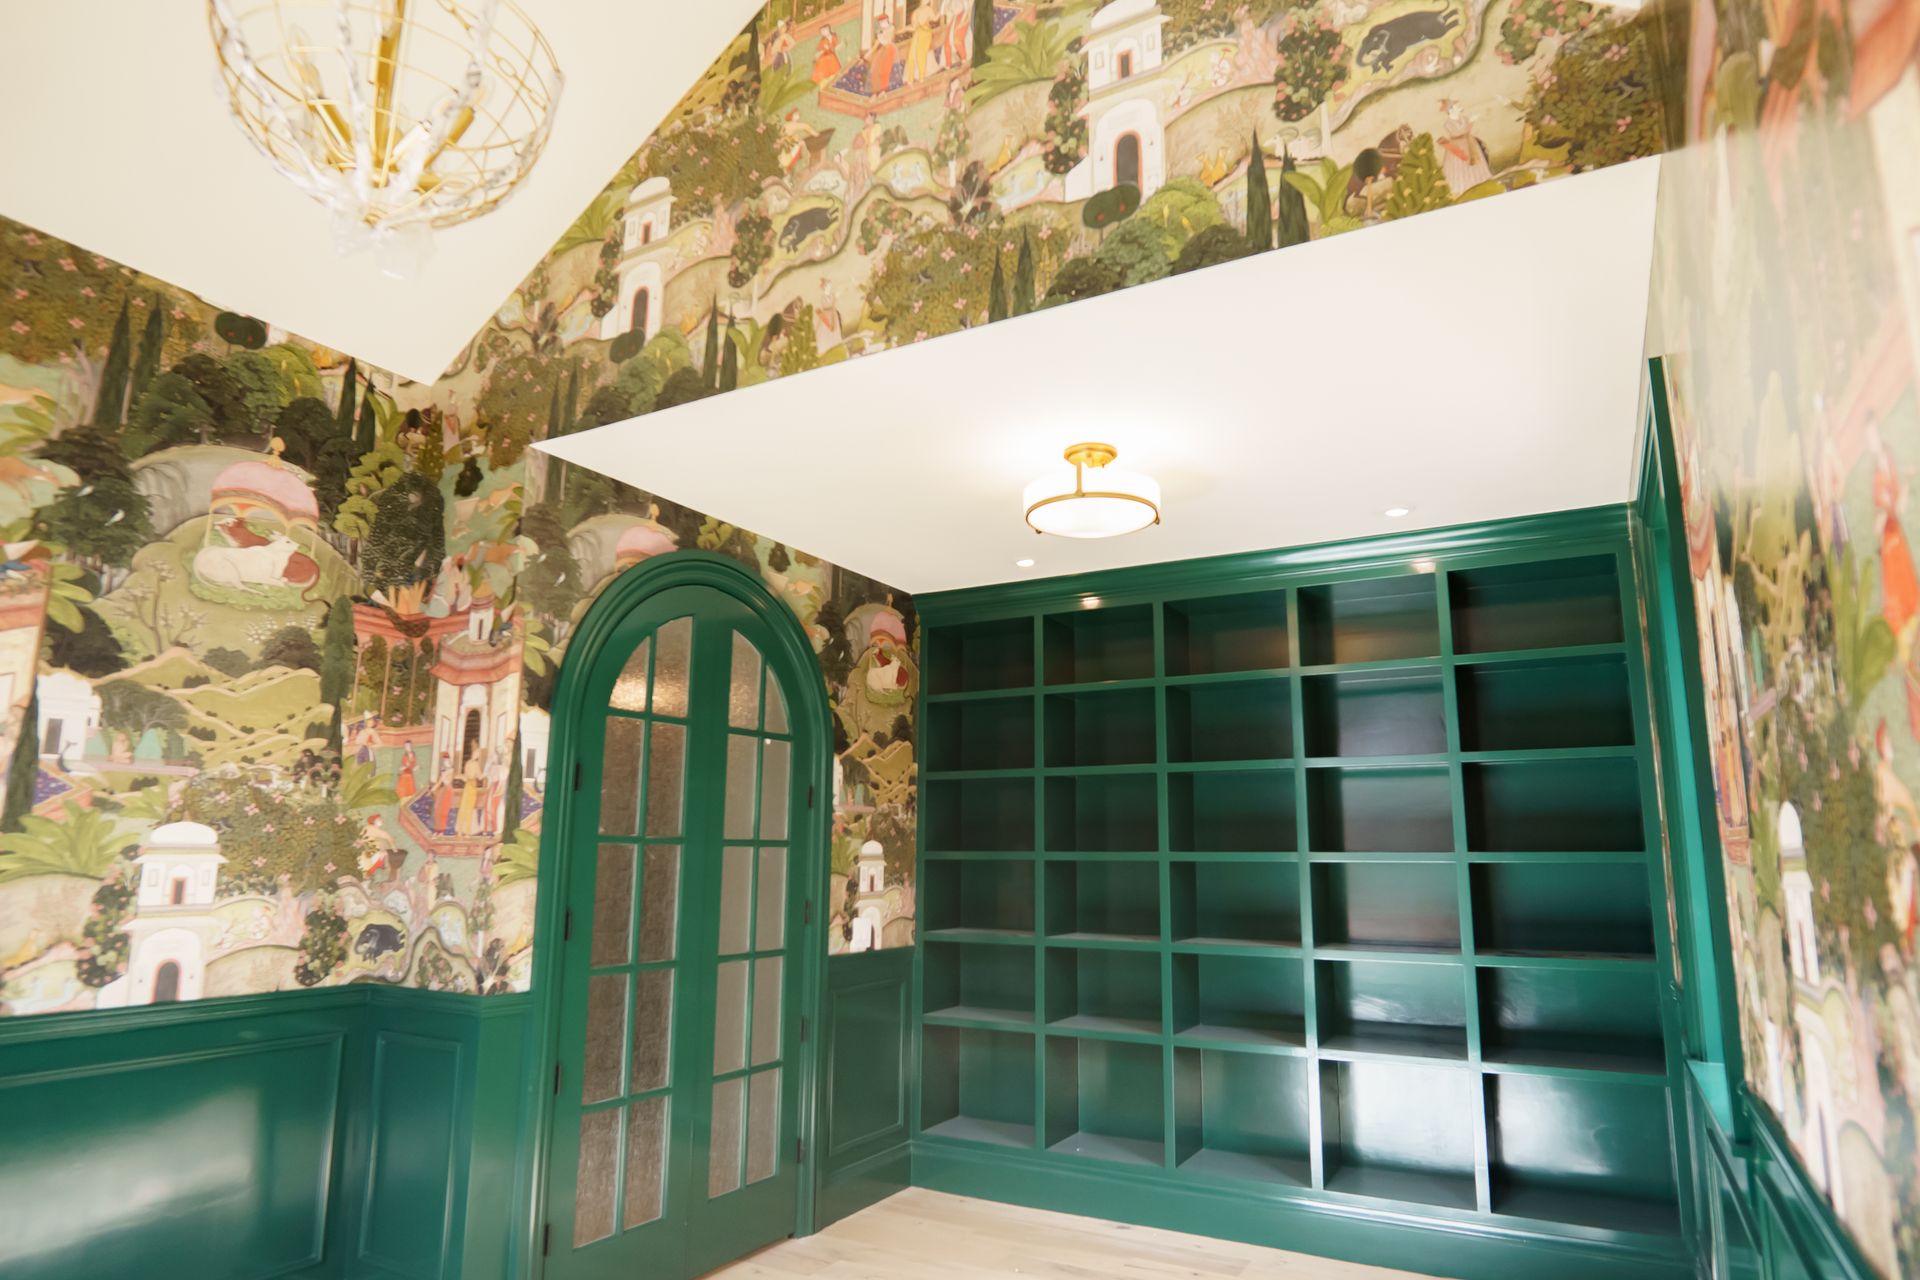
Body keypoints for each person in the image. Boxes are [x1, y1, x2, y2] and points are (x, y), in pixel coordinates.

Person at [869, 14, 897, 95]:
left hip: (889, 49)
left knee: (885, 70)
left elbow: (888, 40)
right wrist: (867, 55)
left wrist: (881, 38)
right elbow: (876, 45)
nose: (881, 23)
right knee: (876, 69)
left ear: (887, 20)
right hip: (882, 50)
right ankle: (877, 91)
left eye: (883, 21)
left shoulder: (891, 28)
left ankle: (883, 90)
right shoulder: (880, 32)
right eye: (880, 22)